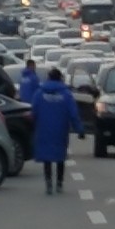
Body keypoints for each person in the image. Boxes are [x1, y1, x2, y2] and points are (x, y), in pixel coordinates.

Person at [32, 67, 85, 195]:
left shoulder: (39, 93)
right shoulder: (66, 94)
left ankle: (48, 183)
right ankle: (59, 183)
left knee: (47, 158)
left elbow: (33, 112)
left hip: (43, 129)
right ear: (60, 78)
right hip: (60, 130)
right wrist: (80, 130)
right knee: (60, 156)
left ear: (48, 78)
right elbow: (73, 114)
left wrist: (33, 127)